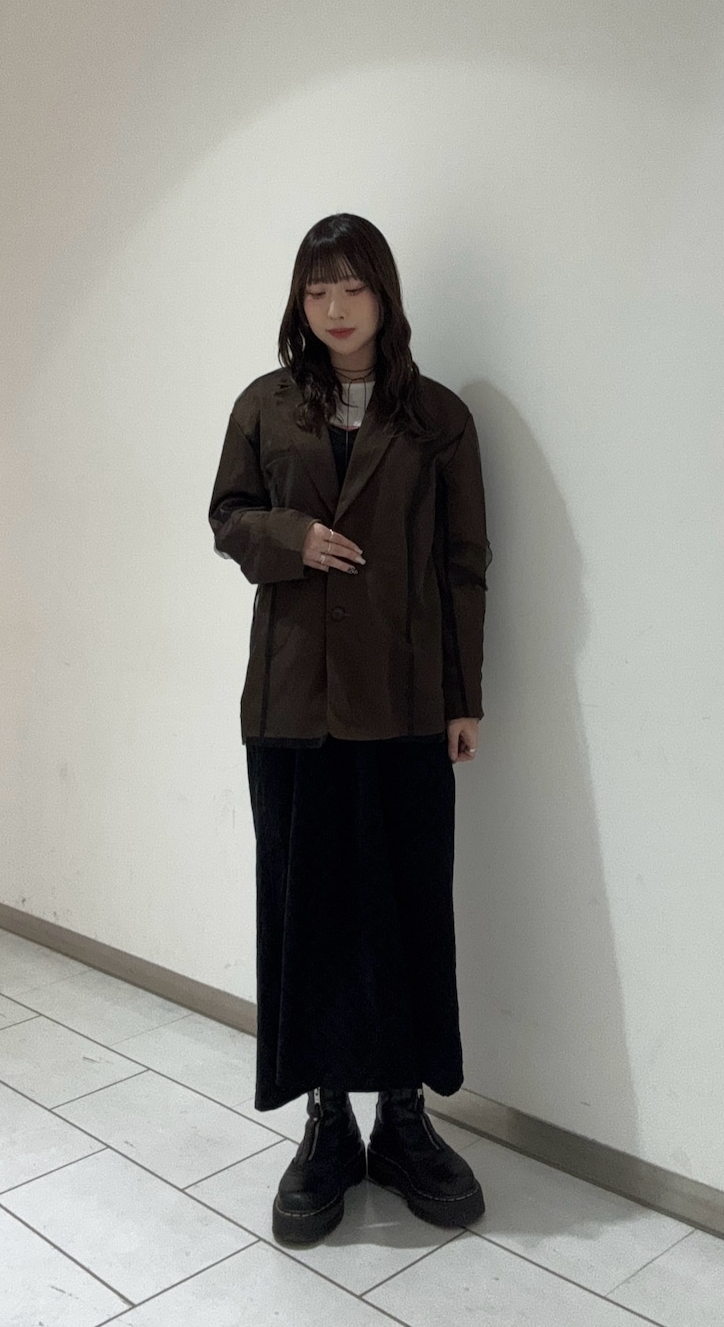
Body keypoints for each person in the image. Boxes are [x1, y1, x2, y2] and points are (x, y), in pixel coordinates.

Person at [209, 213, 490, 1247]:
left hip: (408, 700)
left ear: (384, 296)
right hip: (292, 704)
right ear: (300, 299)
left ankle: (404, 1119)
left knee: (408, 909)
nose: (334, 308)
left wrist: (463, 697)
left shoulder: (438, 417)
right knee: (310, 911)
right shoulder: (265, 405)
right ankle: (327, 1122)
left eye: (353, 287)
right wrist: (291, 536)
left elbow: (464, 563)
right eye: (317, 288)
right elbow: (227, 517)